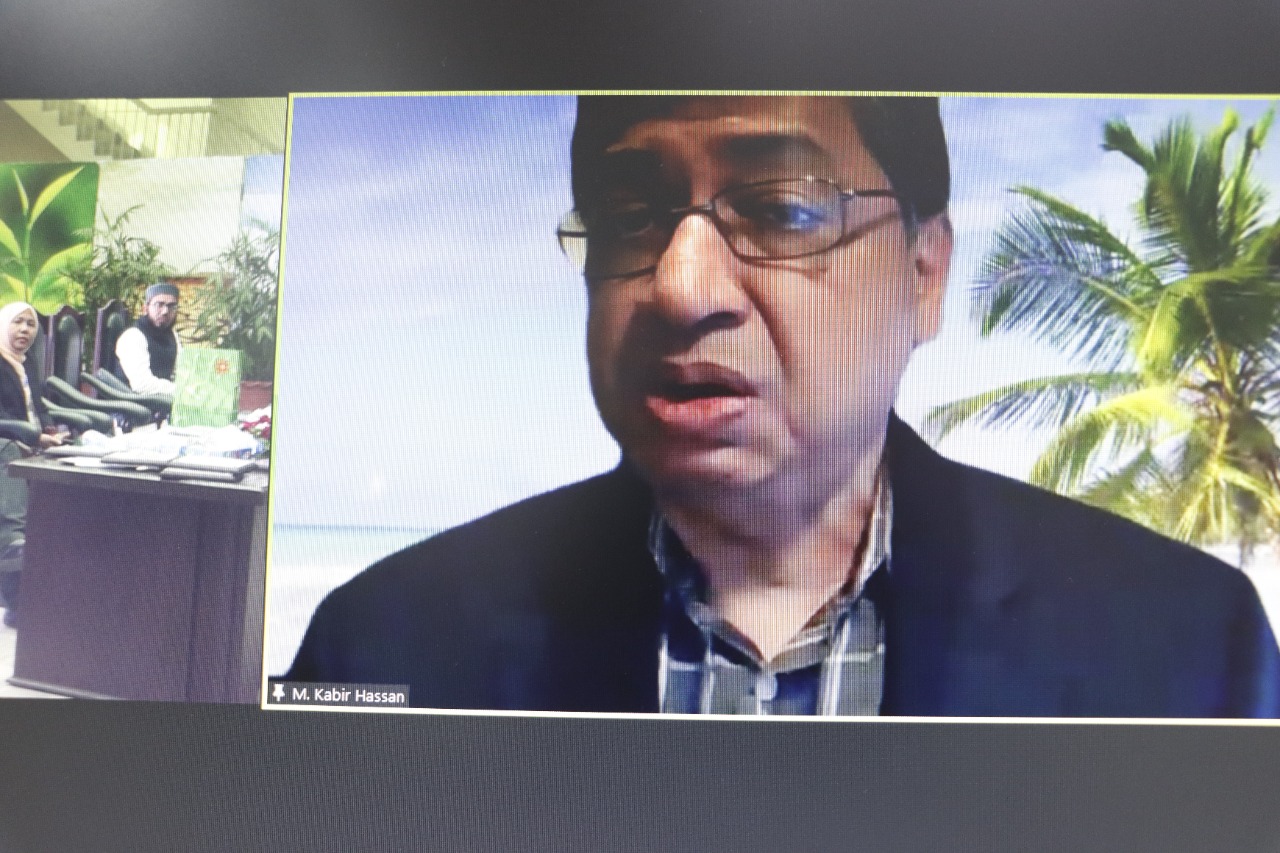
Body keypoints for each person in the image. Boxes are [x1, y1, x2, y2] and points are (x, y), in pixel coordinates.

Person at [284, 95, 1280, 717]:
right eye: (630, 216)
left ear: (924, 275)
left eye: (783, 209)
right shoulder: (383, 640)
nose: (681, 287)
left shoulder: (1189, 646)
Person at [0, 302, 64, 629]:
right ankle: (16, 599)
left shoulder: (25, 363)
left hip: (27, 443)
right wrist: (34, 436)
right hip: (7, 445)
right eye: (17, 322)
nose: (24, 329)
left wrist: (51, 429)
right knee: (15, 531)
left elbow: (36, 407)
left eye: (30, 324)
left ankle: (39, 598)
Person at [116, 282, 181, 395]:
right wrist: (182, 391)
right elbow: (142, 385)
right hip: (132, 403)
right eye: (159, 305)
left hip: (161, 400)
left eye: (171, 306)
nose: (165, 311)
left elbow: (181, 369)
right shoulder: (133, 336)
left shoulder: (172, 335)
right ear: (145, 309)